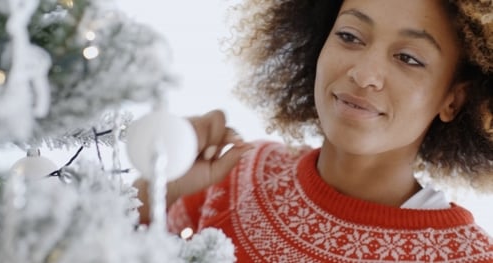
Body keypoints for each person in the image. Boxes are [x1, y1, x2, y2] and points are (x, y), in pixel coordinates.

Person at [135, 0, 493, 262]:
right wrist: (160, 191)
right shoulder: (236, 174)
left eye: (409, 58)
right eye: (350, 36)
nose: (363, 73)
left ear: (453, 99)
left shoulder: (467, 258)